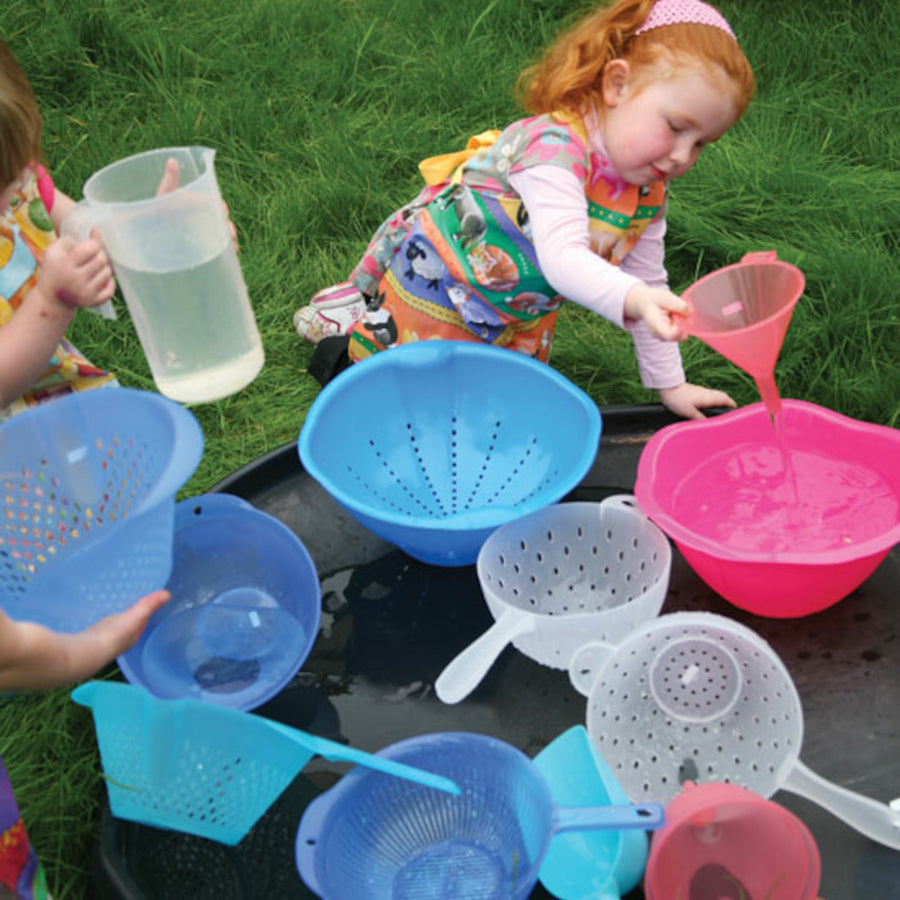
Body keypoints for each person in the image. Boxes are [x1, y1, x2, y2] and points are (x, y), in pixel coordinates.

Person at [294, 0, 755, 420]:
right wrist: (633, 298)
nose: (681, 156)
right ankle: (340, 331)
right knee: (398, 399)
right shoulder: (553, 151)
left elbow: (650, 284)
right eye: (676, 127)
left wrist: (671, 385)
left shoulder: (647, 189)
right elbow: (563, 258)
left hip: (515, 307)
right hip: (443, 282)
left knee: (490, 412)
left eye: (701, 144)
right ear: (617, 84)